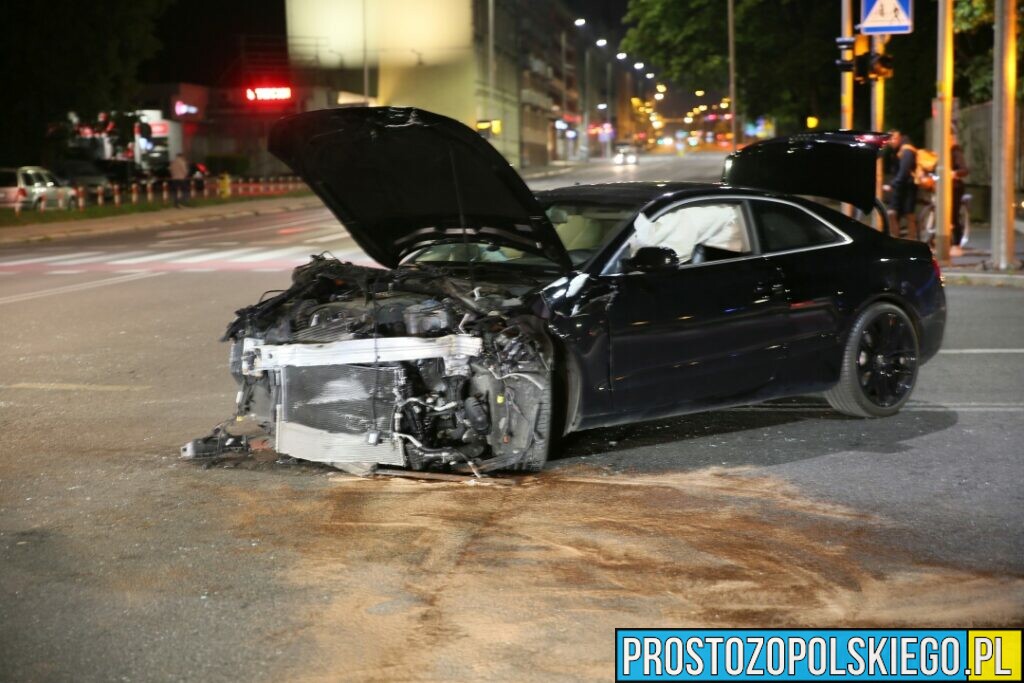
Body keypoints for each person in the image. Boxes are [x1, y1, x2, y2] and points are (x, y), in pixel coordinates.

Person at [883, 130, 918, 240]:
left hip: (908, 186)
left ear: (899, 138)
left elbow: (904, 172)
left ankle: (911, 240)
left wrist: (892, 184)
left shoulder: (906, 150)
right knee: (893, 213)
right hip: (901, 186)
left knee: (908, 215)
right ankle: (896, 239)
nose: (891, 142)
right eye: (889, 140)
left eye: (893, 139)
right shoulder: (897, 150)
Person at [950, 132, 969, 257]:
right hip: (943, 187)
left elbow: (964, 169)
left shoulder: (956, 151)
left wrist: (954, 173)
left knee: (953, 215)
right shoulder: (942, 150)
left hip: (955, 187)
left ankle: (956, 244)